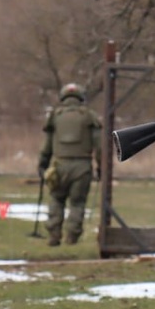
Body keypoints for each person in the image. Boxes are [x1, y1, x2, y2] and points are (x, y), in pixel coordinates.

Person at [38, 82, 102, 246]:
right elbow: (99, 145)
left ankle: (54, 235)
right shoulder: (88, 116)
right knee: (77, 203)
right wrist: (101, 166)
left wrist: (43, 163)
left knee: (56, 199)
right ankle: (72, 237)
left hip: (59, 165)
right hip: (82, 167)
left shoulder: (55, 116)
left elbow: (47, 145)